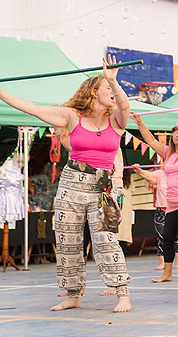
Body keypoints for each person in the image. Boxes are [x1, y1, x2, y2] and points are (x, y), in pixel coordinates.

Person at [0, 57, 132, 312]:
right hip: (71, 184)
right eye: (107, 89)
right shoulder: (73, 116)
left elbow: (124, 105)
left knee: (107, 239)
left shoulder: (117, 120)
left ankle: (122, 293)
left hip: (103, 189)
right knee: (67, 239)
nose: (113, 95)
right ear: (94, 92)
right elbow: (32, 109)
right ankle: (73, 294)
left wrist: (114, 82)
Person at [134, 107, 178, 284]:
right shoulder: (167, 153)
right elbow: (149, 140)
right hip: (172, 201)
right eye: (175, 133)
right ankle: (167, 273)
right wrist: (140, 122)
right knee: (167, 236)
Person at [132, 164, 178, 272]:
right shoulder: (161, 174)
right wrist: (139, 170)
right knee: (161, 236)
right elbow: (150, 177)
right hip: (162, 209)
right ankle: (162, 262)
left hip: (177, 208)